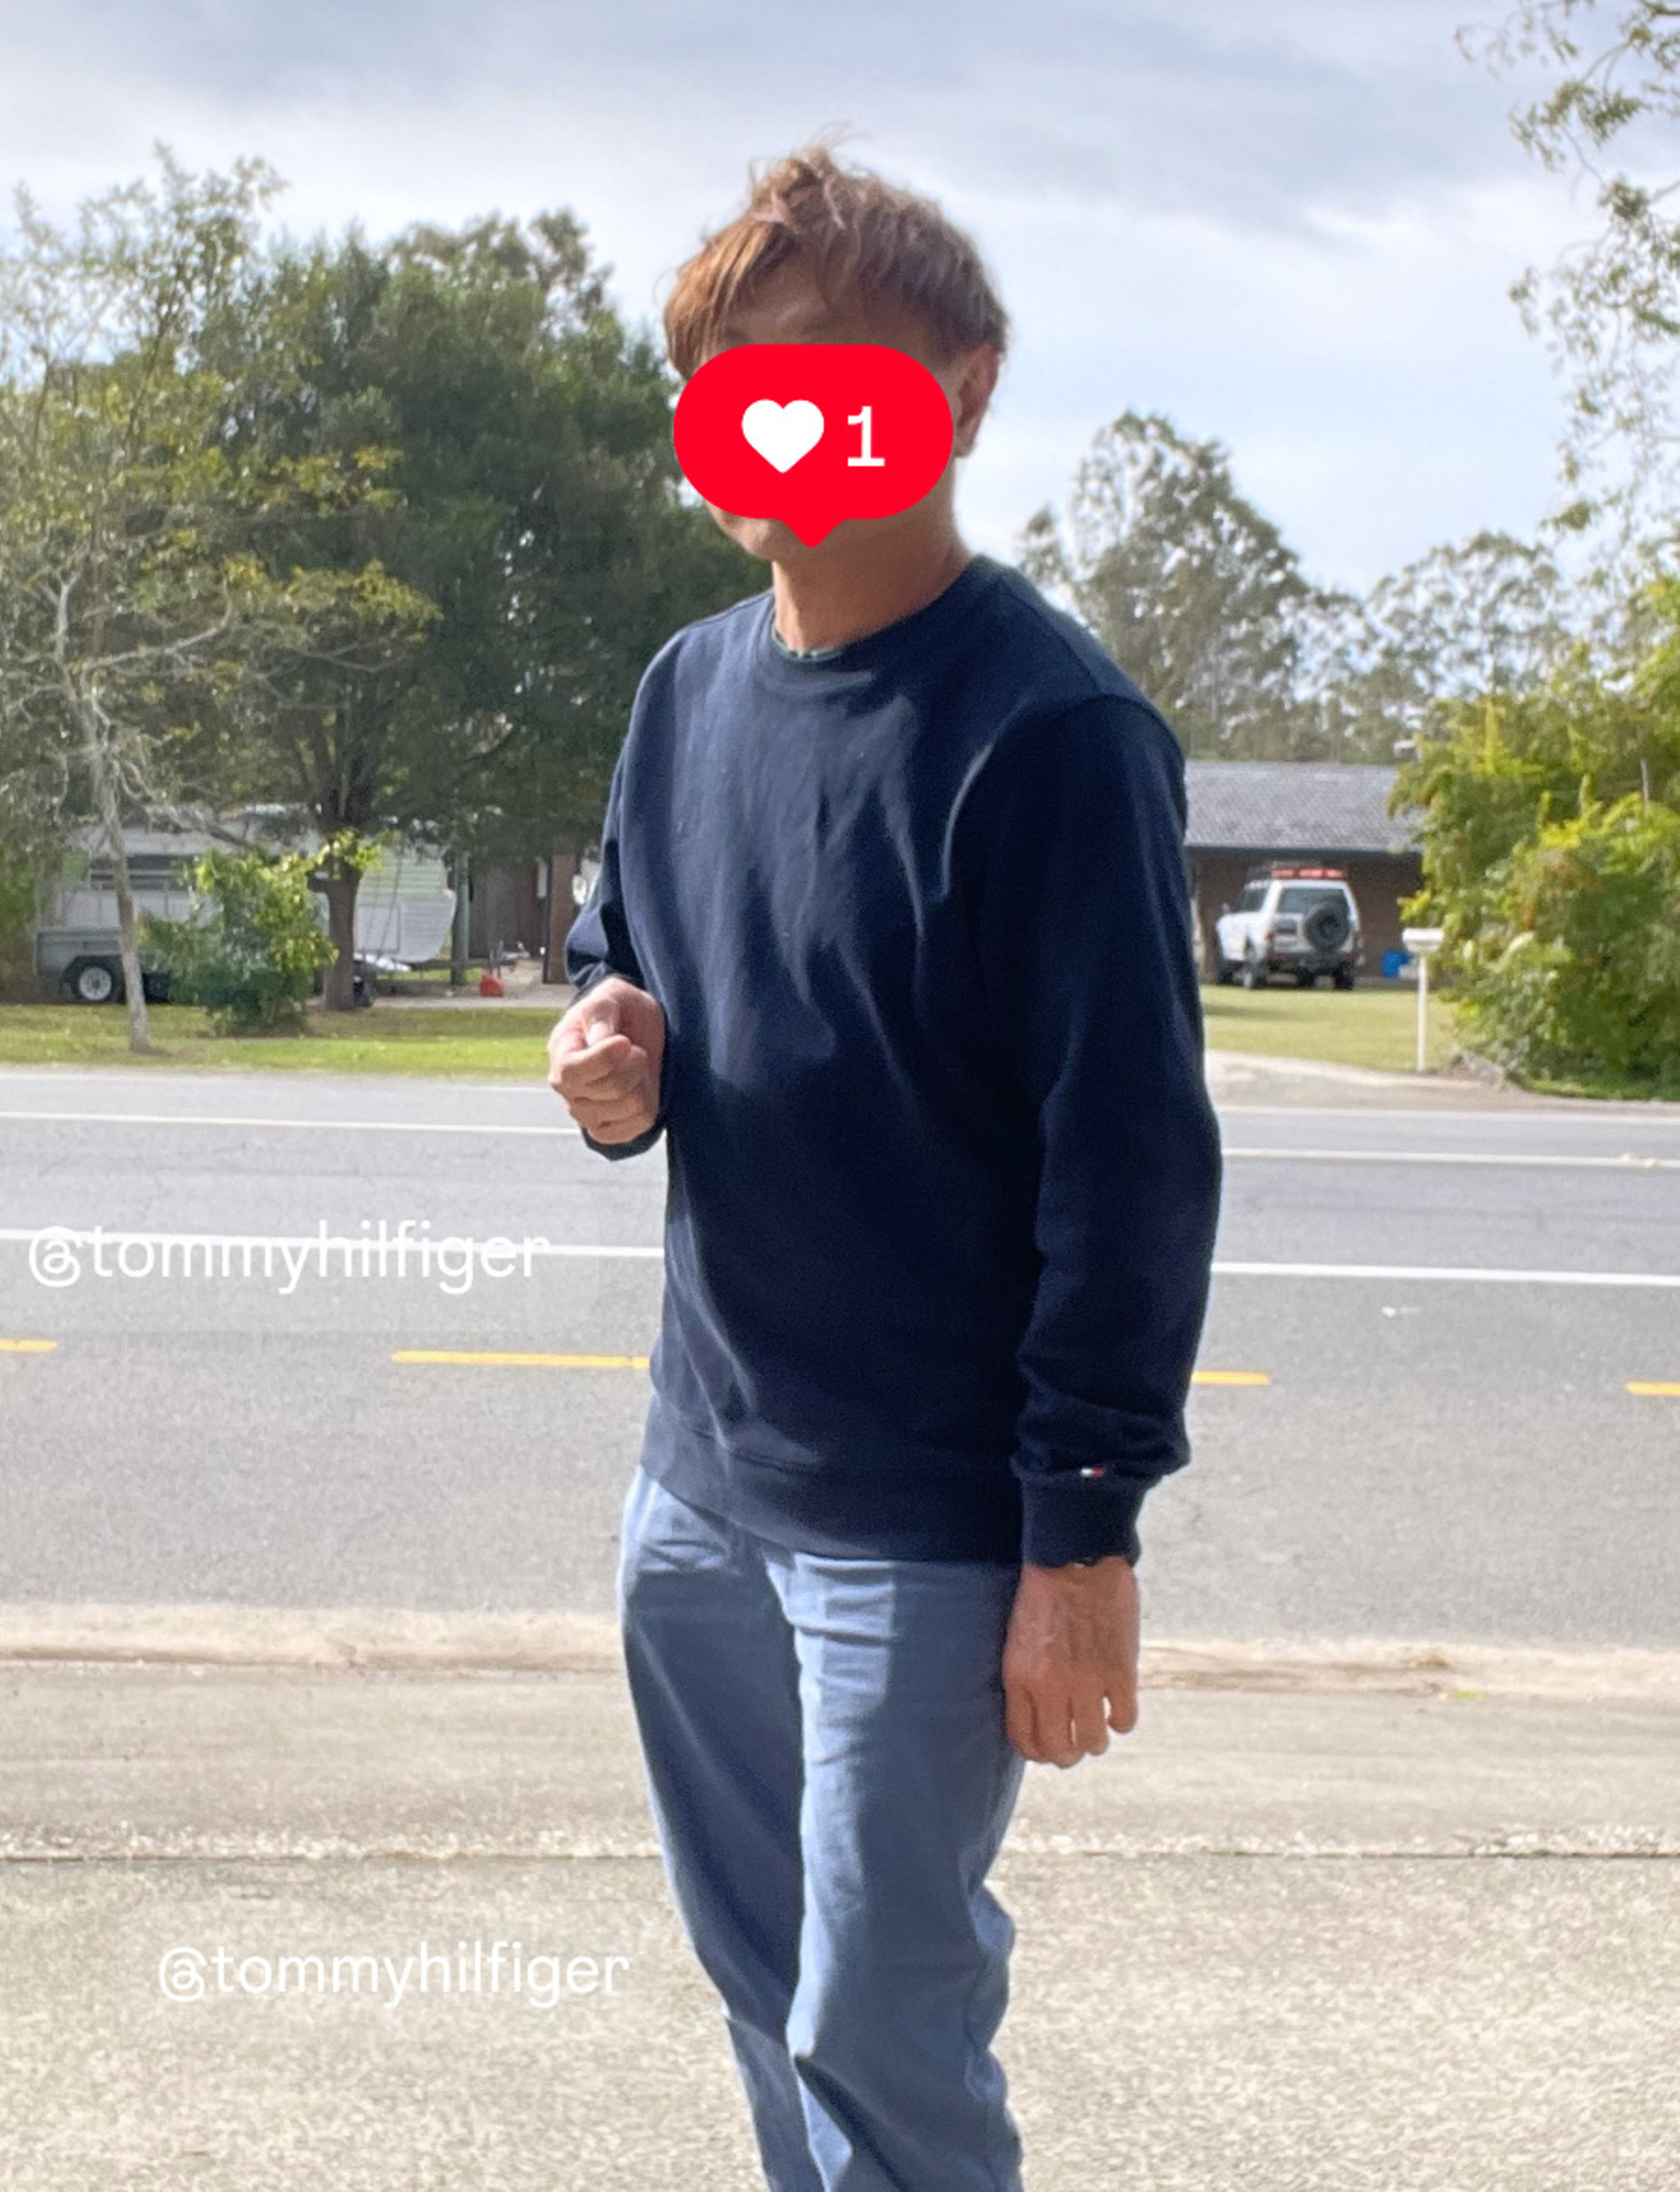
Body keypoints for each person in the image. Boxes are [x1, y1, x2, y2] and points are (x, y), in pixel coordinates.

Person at [547, 144, 1226, 2192]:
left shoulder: (1054, 734)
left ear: (964, 388)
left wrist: (1081, 1544)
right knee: (761, 1976)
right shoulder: (685, 694)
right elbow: (626, 958)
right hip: (698, 1483)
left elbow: (1130, 1165)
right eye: (730, 378)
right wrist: (611, 1058)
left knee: (879, 2016)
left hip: (923, 1532)